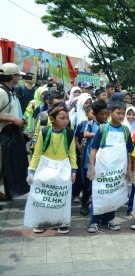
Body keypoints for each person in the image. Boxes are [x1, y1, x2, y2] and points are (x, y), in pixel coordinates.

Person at [26, 102, 77, 234]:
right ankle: (41, 222)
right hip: (45, 167)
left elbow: (72, 154)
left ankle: (62, 222)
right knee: (43, 197)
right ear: (52, 119)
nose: (65, 121)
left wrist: (73, 170)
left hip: (63, 168)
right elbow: (37, 154)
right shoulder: (44, 132)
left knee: (62, 197)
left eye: (67, 118)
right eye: (62, 118)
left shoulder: (70, 133)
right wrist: (31, 171)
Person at [87, 101, 133, 233]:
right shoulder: (103, 129)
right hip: (102, 169)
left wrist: (128, 169)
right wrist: (92, 166)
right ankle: (94, 221)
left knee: (114, 193)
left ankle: (109, 220)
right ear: (110, 113)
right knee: (99, 193)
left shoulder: (126, 131)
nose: (121, 116)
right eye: (118, 113)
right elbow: (94, 149)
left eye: (123, 113)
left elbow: (130, 152)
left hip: (118, 169)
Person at [0, 63, 29, 202]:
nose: (19, 77)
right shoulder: (1, 92)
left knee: (8, 166)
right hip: (3, 136)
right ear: (12, 76)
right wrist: (13, 119)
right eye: (18, 75)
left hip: (10, 134)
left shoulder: (10, 91)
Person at [80, 100, 108, 216]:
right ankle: (84, 204)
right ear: (95, 114)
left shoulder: (107, 124)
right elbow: (85, 134)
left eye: (106, 113)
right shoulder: (91, 124)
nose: (104, 116)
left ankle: (99, 204)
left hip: (103, 160)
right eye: (101, 114)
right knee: (87, 184)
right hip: (89, 159)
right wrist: (99, 134)